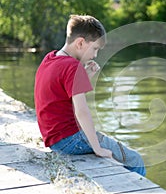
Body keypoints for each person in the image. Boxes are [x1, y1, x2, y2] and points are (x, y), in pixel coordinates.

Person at [34, 14, 146, 176]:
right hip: (71, 140)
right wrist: (97, 148)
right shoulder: (73, 67)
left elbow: (62, 102)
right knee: (135, 160)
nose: (95, 55)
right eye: (94, 49)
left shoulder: (49, 59)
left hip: (56, 140)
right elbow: (81, 111)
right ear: (80, 42)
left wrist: (84, 78)